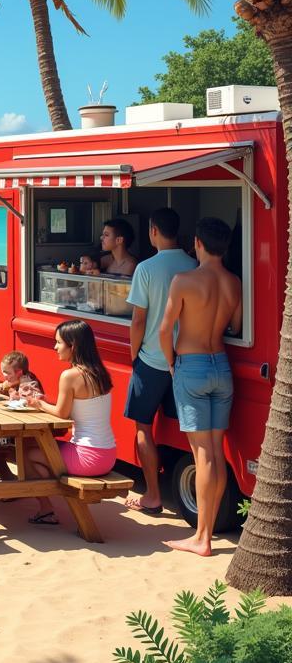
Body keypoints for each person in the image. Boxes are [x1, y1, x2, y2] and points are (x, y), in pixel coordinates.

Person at [159, 217, 242, 557]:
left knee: (202, 453)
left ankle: (202, 538)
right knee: (217, 450)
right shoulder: (234, 282)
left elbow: (166, 329)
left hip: (191, 365)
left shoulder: (184, 280)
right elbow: (235, 326)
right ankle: (206, 532)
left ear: (197, 243)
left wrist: (170, 362)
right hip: (221, 365)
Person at [123, 208, 197, 516]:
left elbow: (138, 319)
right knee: (191, 433)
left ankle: (152, 495)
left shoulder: (146, 268)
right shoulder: (195, 264)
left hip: (152, 359)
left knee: (144, 428)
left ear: (153, 230)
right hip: (184, 360)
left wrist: (133, 354)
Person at [24, 319, 116, 526]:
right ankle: (53, 493)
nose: (55, 347)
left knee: (26, 453)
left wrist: (37, 404)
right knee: (41, 451)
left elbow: (62, 415)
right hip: (108, 454)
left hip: (87, 457)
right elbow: (77, 408)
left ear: (72, 345)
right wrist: (45, 400)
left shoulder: (70, 375)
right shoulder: (100, 372)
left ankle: (46, 508)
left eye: (58, 342)